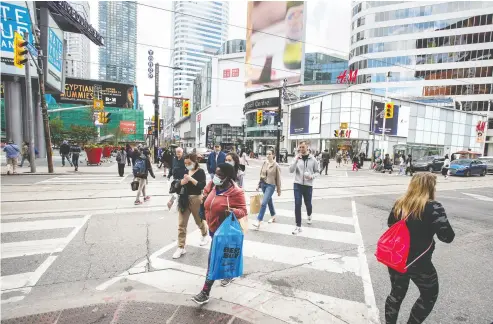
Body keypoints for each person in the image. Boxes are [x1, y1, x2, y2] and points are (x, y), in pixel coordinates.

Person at [385, 173, 455, 324]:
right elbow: (447, 237)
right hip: (419, 262)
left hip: (396, 259)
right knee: (429, 294)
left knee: (396, 294)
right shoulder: (433, 207)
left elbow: (390, 224)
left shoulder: (400, 203)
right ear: (430, 187)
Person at [191, 163, 247, 305]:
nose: (216, 177)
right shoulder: (213, 185)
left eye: (220, 175)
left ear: (228, 177)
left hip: (223, 232)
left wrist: (232, 211)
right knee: (220, 258)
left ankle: (205, 292)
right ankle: (227, 274)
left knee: (213, 259)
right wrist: (204, 197)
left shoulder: (236, 192)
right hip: (212, 228)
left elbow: (244, 211)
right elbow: (205, 193)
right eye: (216, 173)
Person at [173, 153, 209, 259]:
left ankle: (204, 234)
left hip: (196, 198)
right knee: (181, 224)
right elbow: (176, 184)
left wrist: (191, 179)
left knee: (199, 221)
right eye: (185, 163)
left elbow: (202, 185)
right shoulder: (184, 170)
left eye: (189, 163)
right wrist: (181, 182)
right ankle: (181, 247)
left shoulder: (200, 172)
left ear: (194, 162)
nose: (187, 165)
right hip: (184, 199)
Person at [289, 141, 319, 235]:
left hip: (308, 185)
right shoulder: (297, 158)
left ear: (307, 147)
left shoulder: (313, 159)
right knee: (297, 204)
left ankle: (309, 214)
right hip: (297, 184)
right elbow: (291, 170)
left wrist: (311, 176)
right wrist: (296, 161)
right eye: (300, 147)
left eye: (303, 147)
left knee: (308, 204)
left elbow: (317, 172)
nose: (301, 149)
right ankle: (298, 226)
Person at [253, 150, 281, 229]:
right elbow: (261, 175)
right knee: (269, 200)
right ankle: (273, 215)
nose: (268, 155)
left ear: (273, 155)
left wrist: (279, 190)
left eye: (270, 154)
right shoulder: (265, 163)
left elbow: (278, 179)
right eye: (267, 154)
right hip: (263, 185)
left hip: (271, 185)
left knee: (264, 203)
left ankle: (259, 220)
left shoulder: (276, 165)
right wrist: (258, 185)